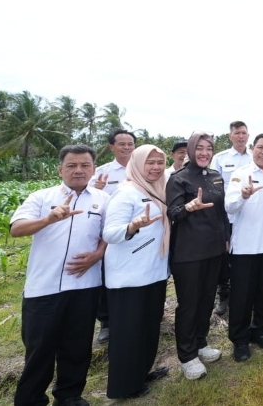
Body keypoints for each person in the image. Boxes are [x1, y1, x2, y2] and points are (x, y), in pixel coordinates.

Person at [11, 144, 110, 406]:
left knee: (77, 347)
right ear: (60, 169)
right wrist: (48, 219)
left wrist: (98, 254)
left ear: (93, 169)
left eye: (85, 165)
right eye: (71, 165)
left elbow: (108, 233)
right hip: (44, 287)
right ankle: (30, 400)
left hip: (85, 285)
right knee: (39, 350)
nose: (79, 170)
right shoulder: (42, 197)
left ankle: (69, 396)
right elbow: (16, 228)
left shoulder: (103, 199)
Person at [102, 145, 170, 399]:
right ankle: (124, 386)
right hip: (129, 276)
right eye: (150, 162)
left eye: (160, 162)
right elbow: (110, 233)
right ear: (138, 164)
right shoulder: (126, 192)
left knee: (148, 327)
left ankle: (142, 372)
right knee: (128, 333)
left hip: (153, 272)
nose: (155, 167)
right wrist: (132, 226)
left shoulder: (157, 190)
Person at [166, 131, 230, 380]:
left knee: (206, 300)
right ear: (192, 150)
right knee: (189, 304)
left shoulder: (215, 176)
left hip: (214, 250)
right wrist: (188, 207)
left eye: (209, 148)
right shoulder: (178, 178)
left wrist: (226, 238)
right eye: (200, 148)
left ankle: (201, 343)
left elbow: (222, 213)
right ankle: (187, 355)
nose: (205, 153)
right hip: (189, 253)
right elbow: (172, 212)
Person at [224, 133, 263, 362]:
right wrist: (243, 196)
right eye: (260, 147)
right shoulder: (240, 174)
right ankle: (239, 340)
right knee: (241, 297)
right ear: (252, 148)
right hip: (245, 248)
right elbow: (229, 206)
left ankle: (260, 331)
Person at [91, 128, 137, 343]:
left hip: (139, 230)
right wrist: (97, 189)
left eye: (130, 144)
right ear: (112, 147)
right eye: (122, 144)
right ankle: (107, 321)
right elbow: (89, 200)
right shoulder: (102, 173)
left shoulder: (144, 168)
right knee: (105, 274)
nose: (126, 147)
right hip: (109, 233)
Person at [211, 121, 252, 316]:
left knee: (245, 258)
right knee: (224, 257)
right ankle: (224, 295)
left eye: (244, 133)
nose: (241, 136)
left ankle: (244, 293)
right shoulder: (220, 158)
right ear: (230, 136)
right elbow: (213, 188)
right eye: (237, 133)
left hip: (251, 217)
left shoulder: (255, 157)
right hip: (227, 216)